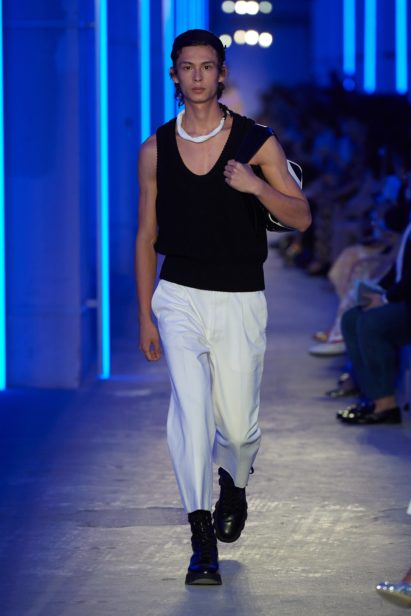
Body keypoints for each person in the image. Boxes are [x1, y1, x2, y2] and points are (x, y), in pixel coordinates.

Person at [135, 29, 311, 585]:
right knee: (191, 415)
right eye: (187, 67)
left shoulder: (256, 142)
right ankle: (200, 538)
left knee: (236, 430)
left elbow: (302, 216)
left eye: (207, 66)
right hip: (179, 295)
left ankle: (234, 483)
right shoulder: (155, 149)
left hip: (240, 297)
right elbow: (145, 236)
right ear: (174, 75)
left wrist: (256, 187)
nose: (197, 76)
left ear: (222, 73)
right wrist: (144, 315)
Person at [337, 216, 411, 424]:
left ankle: (386, 405)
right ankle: (372, 396)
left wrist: (386, 298)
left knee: (371, 322)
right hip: (403, 299)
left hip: (406, 304)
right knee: (351, 318)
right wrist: (379, 290)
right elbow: (400, 268)